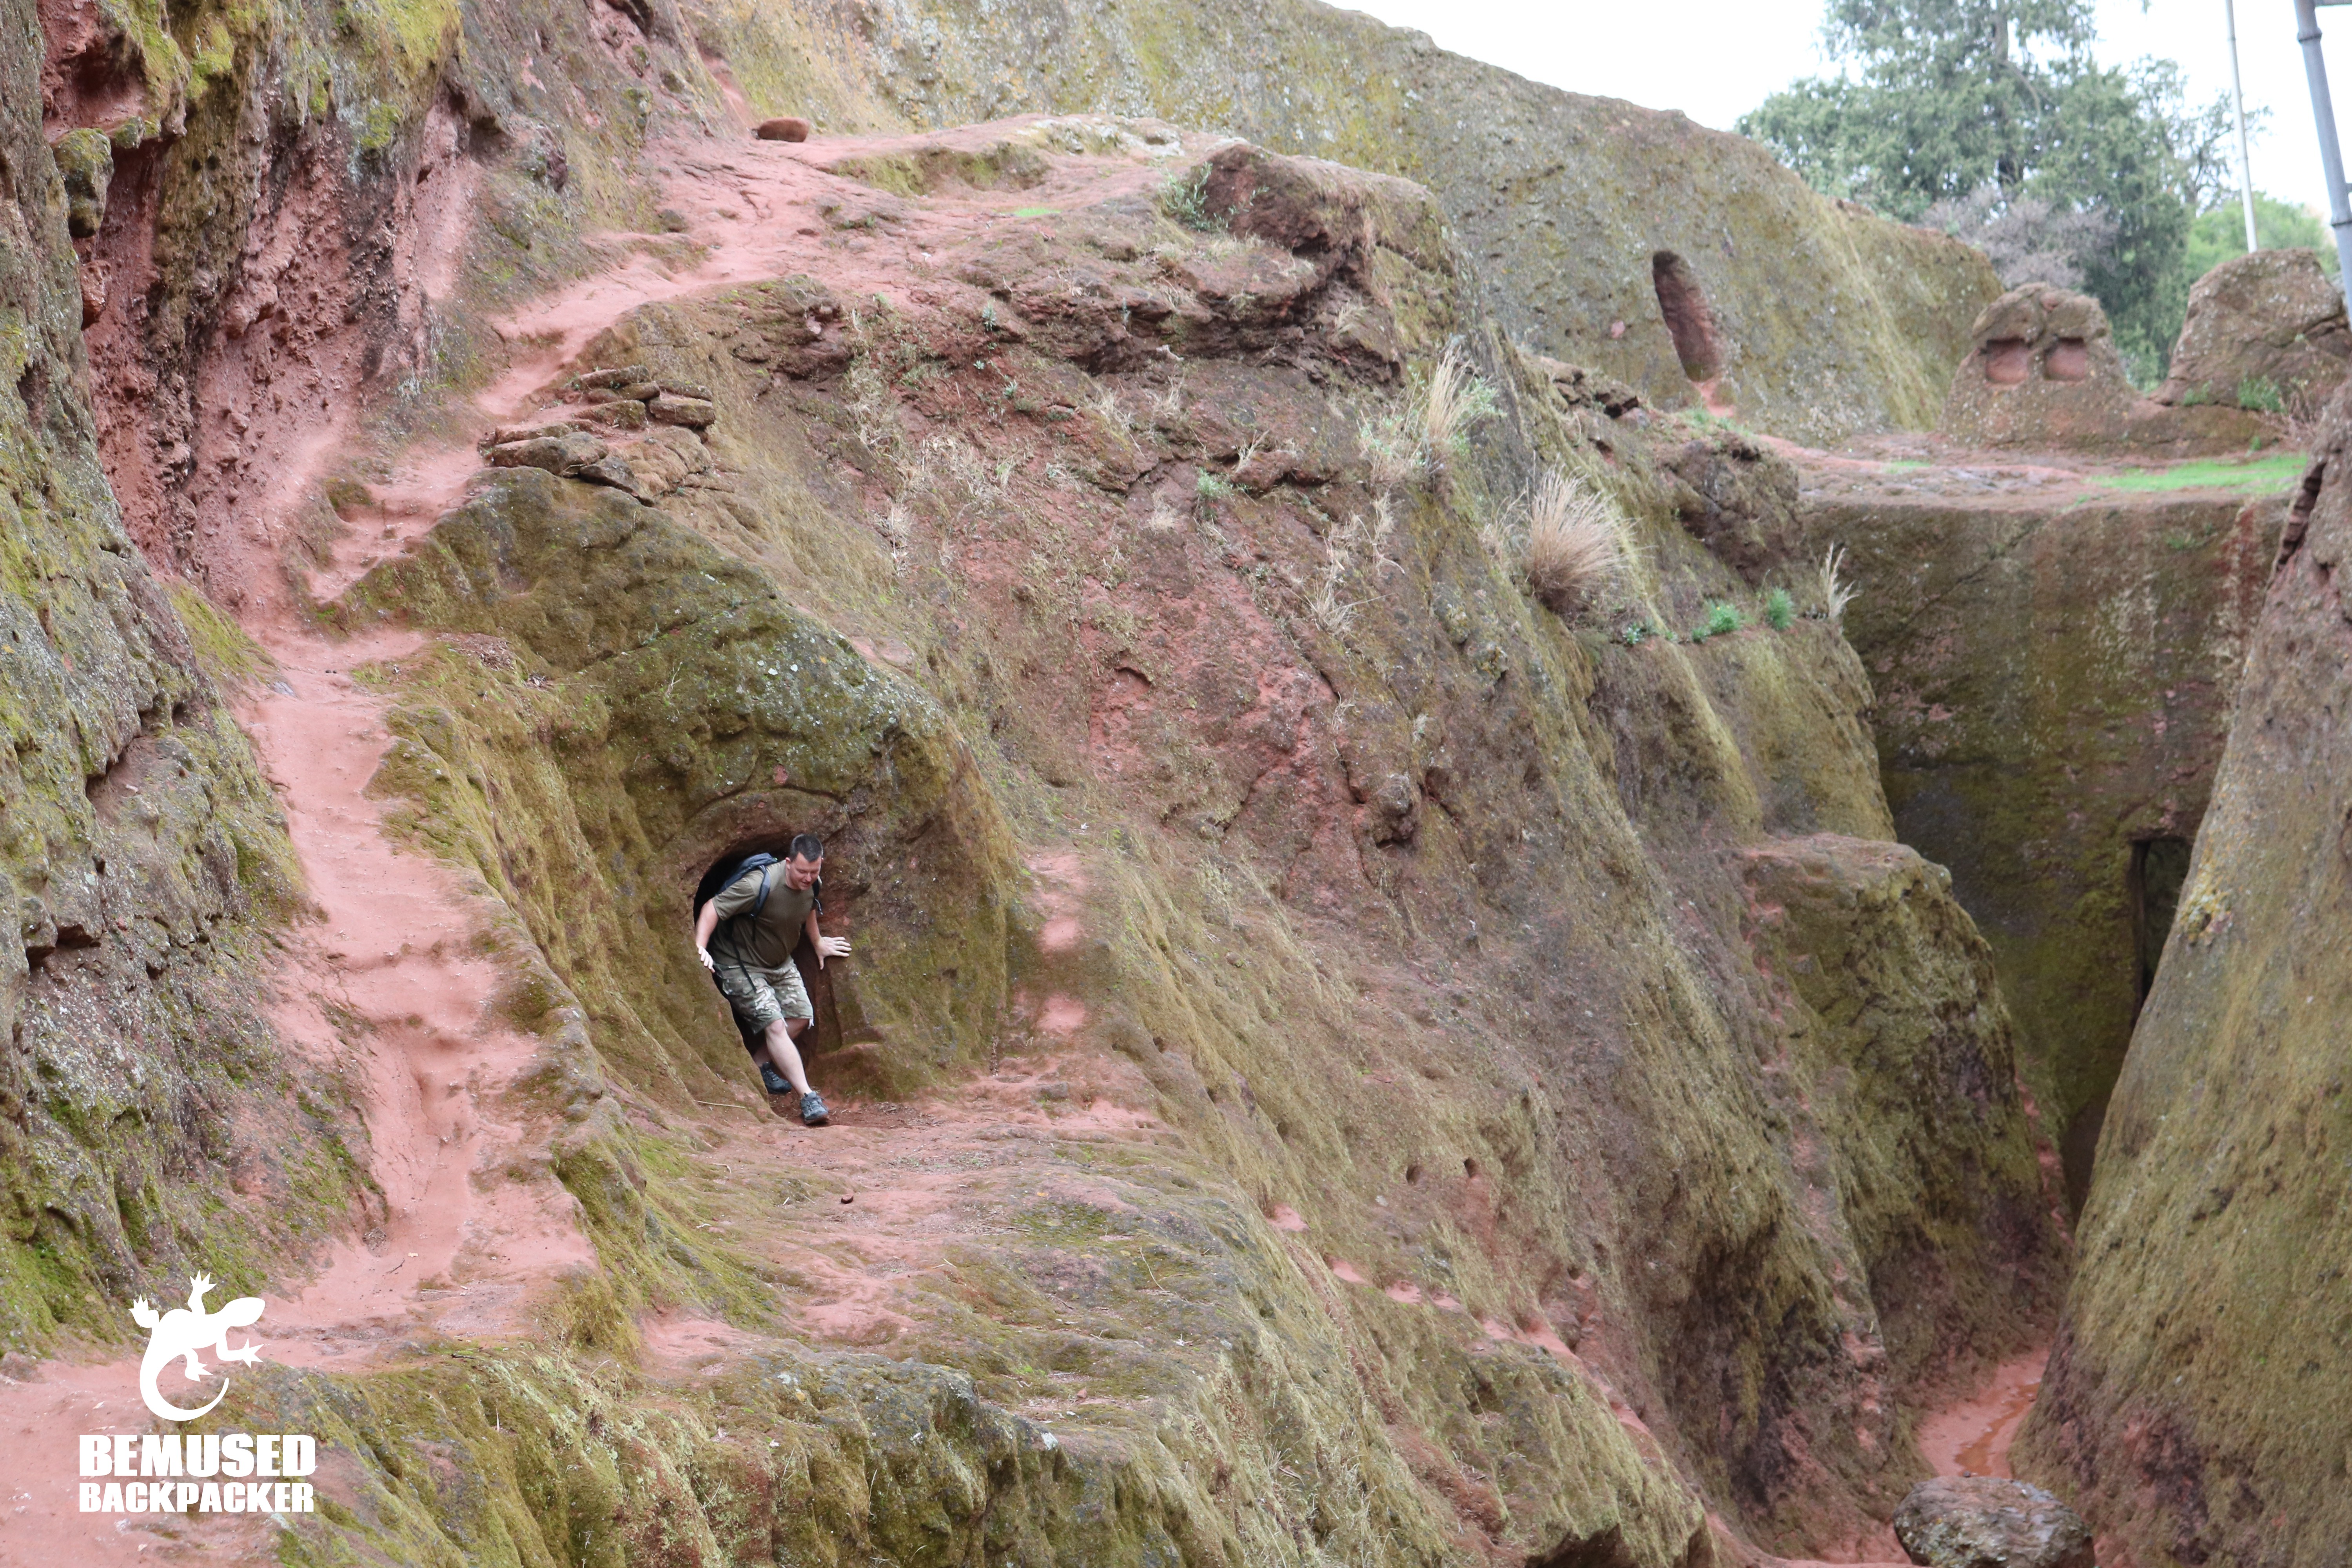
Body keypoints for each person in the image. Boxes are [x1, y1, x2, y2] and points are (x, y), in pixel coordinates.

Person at [693, 833, 849, 1126]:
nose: (807, 878)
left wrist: (817, 943)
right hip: (740, 964)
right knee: (775, 1025)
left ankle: (757, 1067)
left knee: (802, 1017)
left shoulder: (813, 882)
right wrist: (701, 947)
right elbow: (712, 908)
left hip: (778, 962)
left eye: (814, 872)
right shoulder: (759, 884)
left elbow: (809, 907)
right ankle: (808, 1097)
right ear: (788, 862)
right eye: (802, 871)